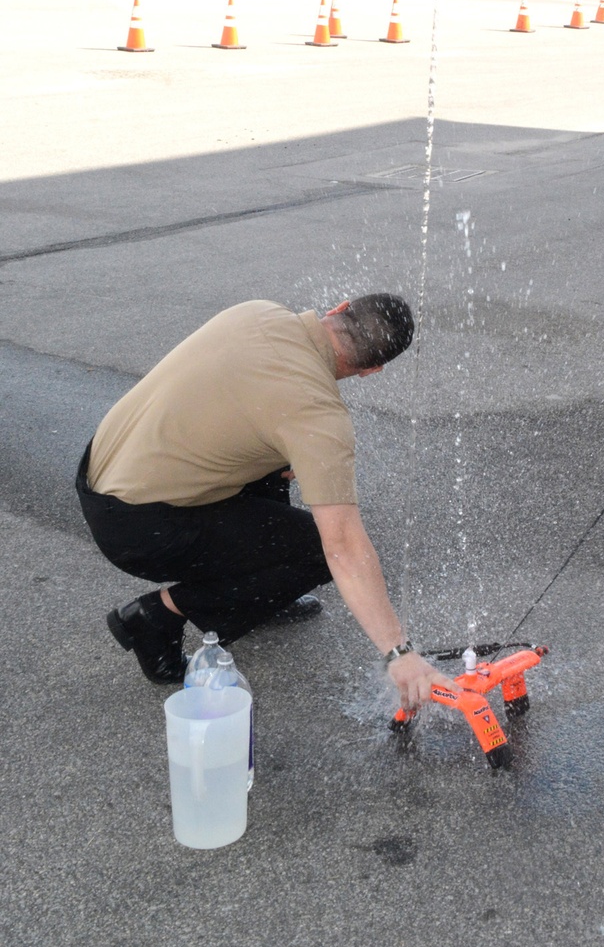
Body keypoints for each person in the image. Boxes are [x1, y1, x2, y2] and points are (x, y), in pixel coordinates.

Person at [77, 295, 452, 710]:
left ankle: (263, 596)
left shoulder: (259, 312)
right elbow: (342, 546)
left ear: (338, 308)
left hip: (100, 469)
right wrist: (399, 652)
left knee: (280, 460)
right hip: (136, 529)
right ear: (372, 369)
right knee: (318, 552)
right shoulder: (317, 416)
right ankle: (158, 616)